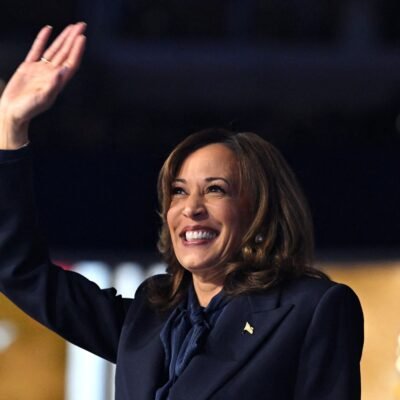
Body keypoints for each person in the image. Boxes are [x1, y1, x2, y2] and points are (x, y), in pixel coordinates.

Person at [0, 24, 363, 400]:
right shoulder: (149, 315)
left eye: (215, 189)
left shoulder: (311, 308)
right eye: (178, 191)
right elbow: (20, 271)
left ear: (260, 209)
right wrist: (10, 127)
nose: (191, 208)